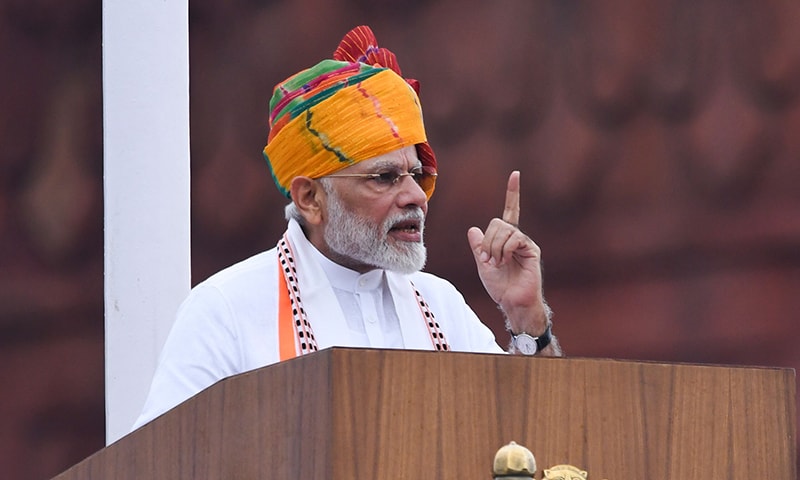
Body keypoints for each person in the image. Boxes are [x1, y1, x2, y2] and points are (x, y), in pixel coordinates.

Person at [132, 25, 561, 430]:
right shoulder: (225, 310)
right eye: (385, 177)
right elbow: (158, 463)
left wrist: (527, 317)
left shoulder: (440, 306)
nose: (416, 195)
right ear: (310, 199)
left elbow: (533, 439)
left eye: (417, 173)